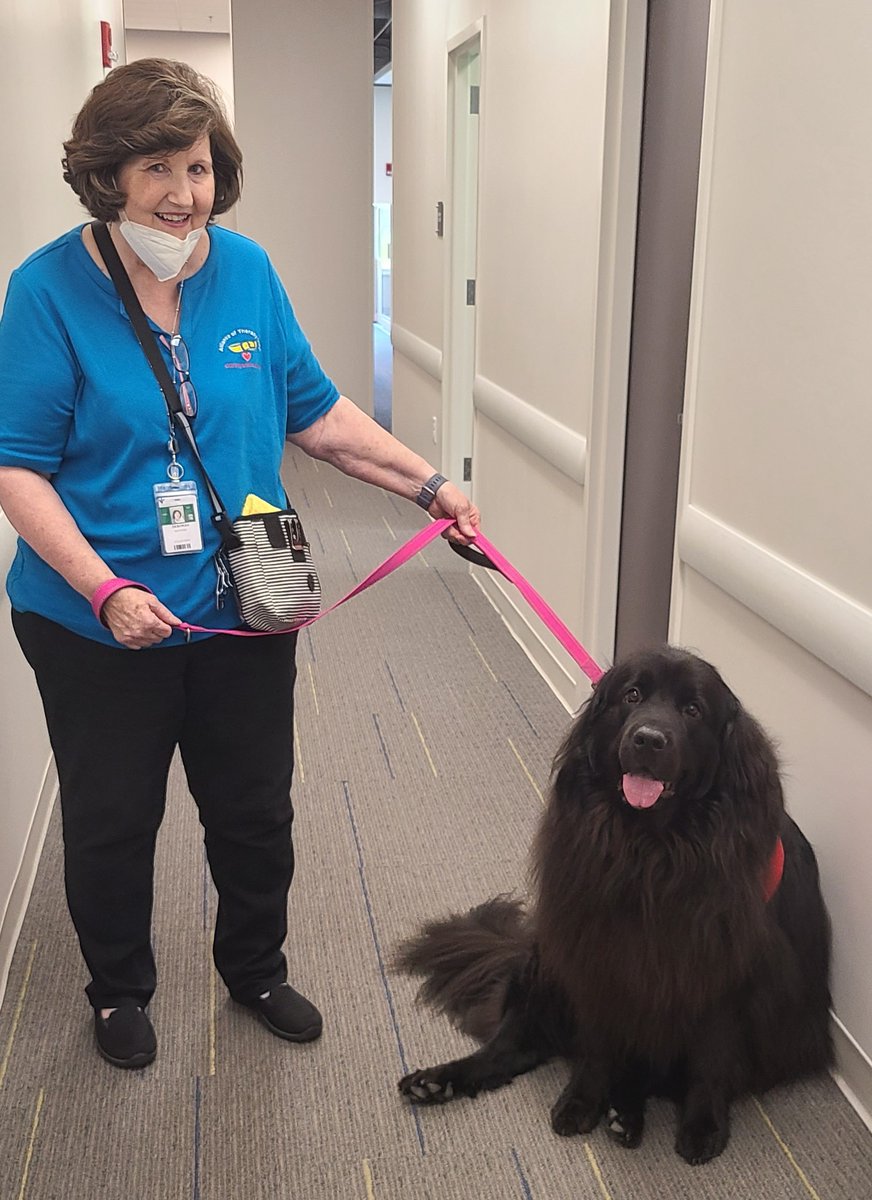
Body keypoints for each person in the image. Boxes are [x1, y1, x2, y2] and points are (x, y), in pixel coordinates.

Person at [0, 59, 479, 1070]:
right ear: (105, 179)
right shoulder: (45, 291)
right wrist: (105, 587)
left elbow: (316, 412)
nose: (183, 194)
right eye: (156, 170)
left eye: (200, 167)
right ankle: (119, 990)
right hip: (96, 622)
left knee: (254, 808)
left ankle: (254, 967)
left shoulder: (246, 270)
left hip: (242, 603)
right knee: (114, 818)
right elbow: (18, 470)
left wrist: (428, 484)